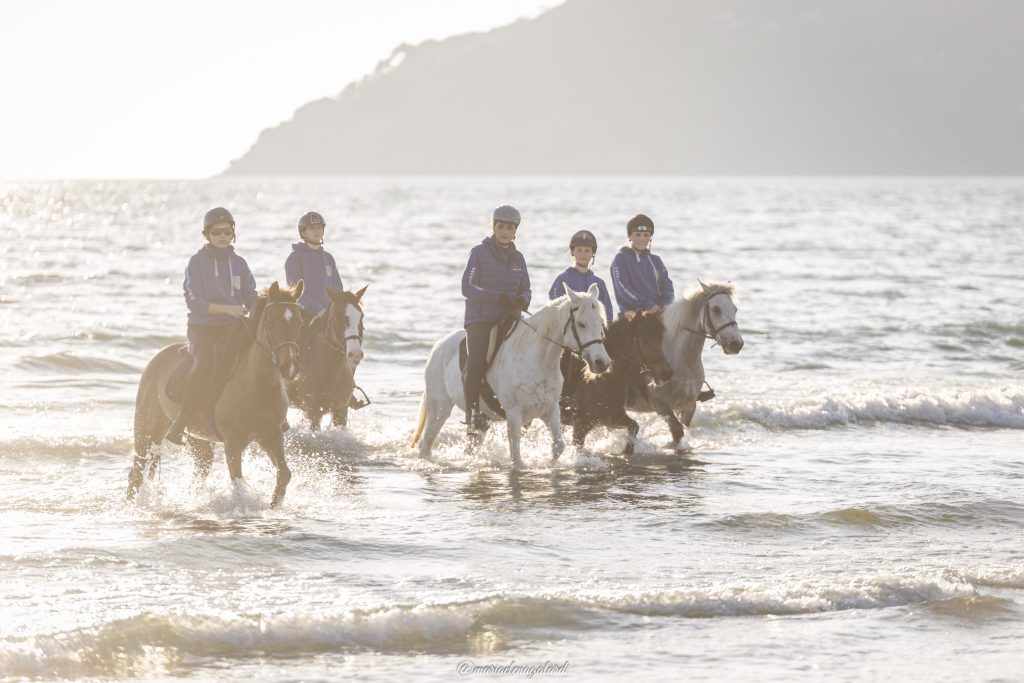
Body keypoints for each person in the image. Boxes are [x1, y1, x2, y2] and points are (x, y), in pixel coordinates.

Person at [164, 207, 258, 444]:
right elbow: (194, 302)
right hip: (203, 327)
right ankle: (181, 422)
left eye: (227, 231)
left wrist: (264, 312)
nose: (222, 236)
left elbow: (250, 295)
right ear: (206, 235)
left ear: (233, 233)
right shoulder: (196, 262)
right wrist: (228, 309)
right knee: (204, 363)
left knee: (264, 355)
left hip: (235, 325)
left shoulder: (239, 263)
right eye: (216, 232)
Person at [461, 204, 532, 435]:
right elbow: (467, 287)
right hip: (481, 319)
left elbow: (527, 289)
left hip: (510, 318)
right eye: (500, 226)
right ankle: (472, 414)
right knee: (477, 361)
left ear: (515, 231)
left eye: (509, 228)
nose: (504, 231)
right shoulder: (478, 253)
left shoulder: (518, 258)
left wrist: (522, 300)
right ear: (493, 227)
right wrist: (497, 297)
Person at [549, 230, 614, 415]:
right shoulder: (562, 280)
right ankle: (564, 397)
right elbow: (556, 307)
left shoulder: (598, 283)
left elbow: (607, 310)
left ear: (592, 254)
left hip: (593, 335)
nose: (583, 254)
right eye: (579, 250)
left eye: (587, 250)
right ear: (572, 253)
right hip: (570, 336)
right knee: (568, 357)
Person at [609, 213, 674, 318]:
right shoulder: (620, 258)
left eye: (646, 235)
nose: (642, 239)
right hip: (632, 317)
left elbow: (667, 286)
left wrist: (665, 305)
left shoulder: (656, 260)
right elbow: (623, 289)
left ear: (650, 237)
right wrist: (648, 305)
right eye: (638, 234)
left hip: (657, 314)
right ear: (629, 236)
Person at [284, 211, 344, 319]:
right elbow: (295, 293)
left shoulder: (328, 258)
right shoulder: (295, 258)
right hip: (303, 315)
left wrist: (335, 308)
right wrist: (318, 310)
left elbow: (338, 288)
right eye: (311, 228)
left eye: (319, 227)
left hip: (328, 314)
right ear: (303, 233)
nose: (316, 231)